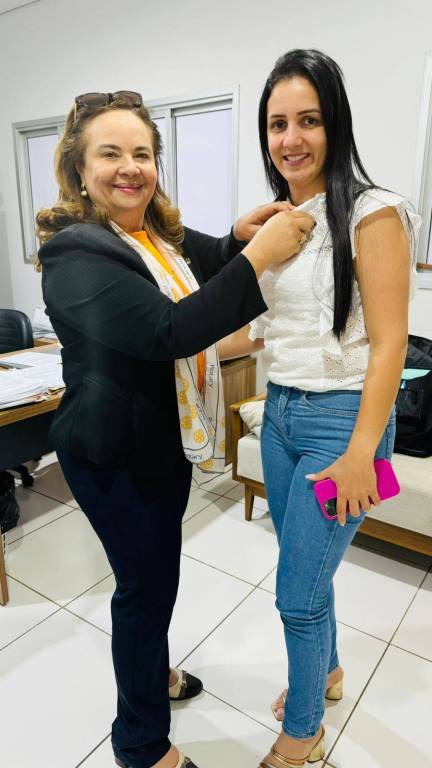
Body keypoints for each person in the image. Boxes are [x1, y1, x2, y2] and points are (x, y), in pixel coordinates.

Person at [35, 91, 314, 768]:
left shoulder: (154, 234)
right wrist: (258, 258)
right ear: (79, 169)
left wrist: (240, 239)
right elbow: (169, 329)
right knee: (144, 590)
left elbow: (205, 258)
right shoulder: (74, 255)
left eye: (142, 153)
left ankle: (151, 674)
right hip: (112, 455)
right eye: (110, 154)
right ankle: (141, 744)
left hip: (156, 444)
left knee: (154, 580)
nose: (130, 167)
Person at [218, 50, 421, 767]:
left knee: (295, 597)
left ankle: (303, 731)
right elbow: (271, 328)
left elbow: (391, 342)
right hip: (279, 416)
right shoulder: (281, 222)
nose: (291, 139)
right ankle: (327, 672)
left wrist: (365, 450)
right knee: (307, 571)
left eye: (308, 120)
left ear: (335, 122)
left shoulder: (374, 212)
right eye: (277, 124)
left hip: (342, 424)